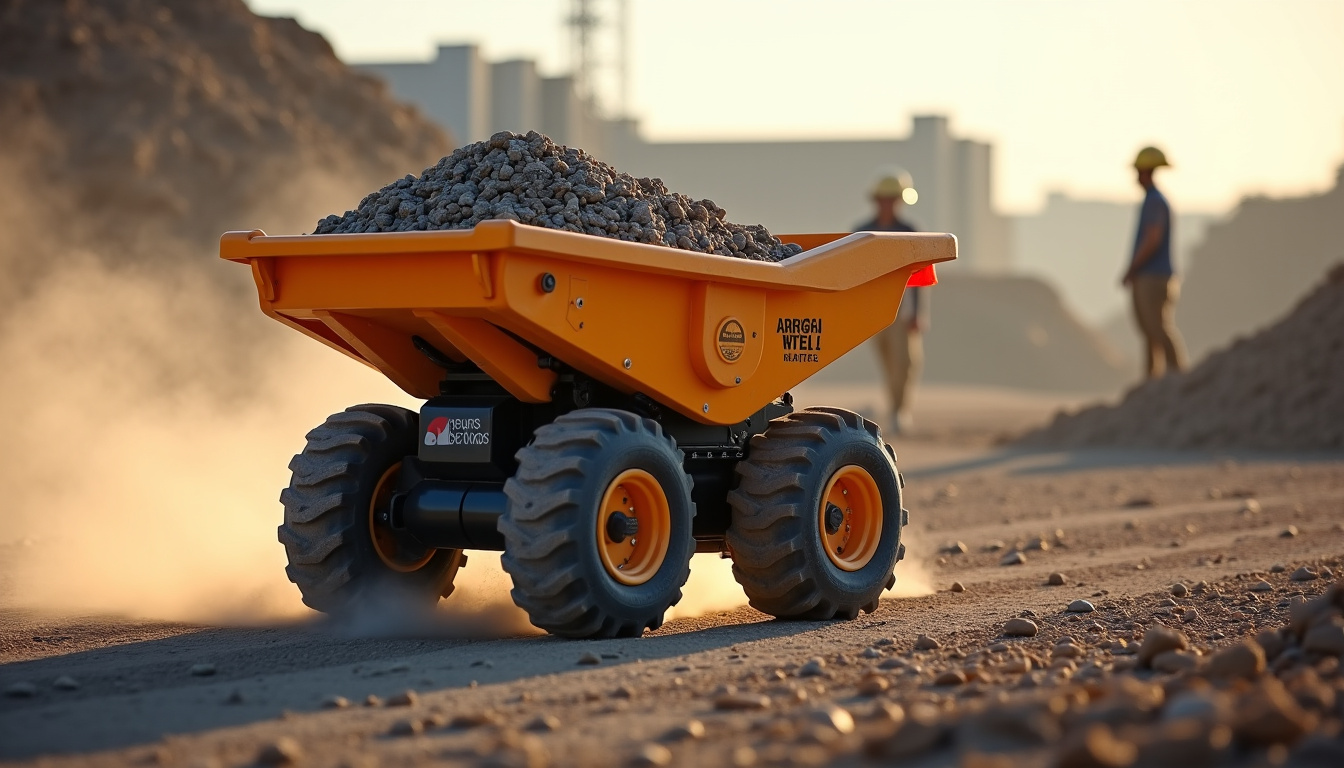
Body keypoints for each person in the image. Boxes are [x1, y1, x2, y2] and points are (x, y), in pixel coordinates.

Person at [856, 170, 928, 434]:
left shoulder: (909, 231)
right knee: (889, 364)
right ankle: (895, 408)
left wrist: (918, 312)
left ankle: (899, 411)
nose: (889, 203)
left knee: (906, 363)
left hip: (903, 309)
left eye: (893, 198)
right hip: (874, 311)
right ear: (877, 200)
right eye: (885, 198)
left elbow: (919, 276)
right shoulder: (862, 232)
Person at [1122, 146, 1187, 379]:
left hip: (1153, 275)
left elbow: (1152, 237)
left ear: (1147, 172)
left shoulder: (1155, 202)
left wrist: (1132, 268)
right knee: (1150, 330)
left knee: (1157, 327)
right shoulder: (1153, 200)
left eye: (1139, 171)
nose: (1136, 177)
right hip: (1150, 274)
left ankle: (1177, 374)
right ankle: (1153, 377)